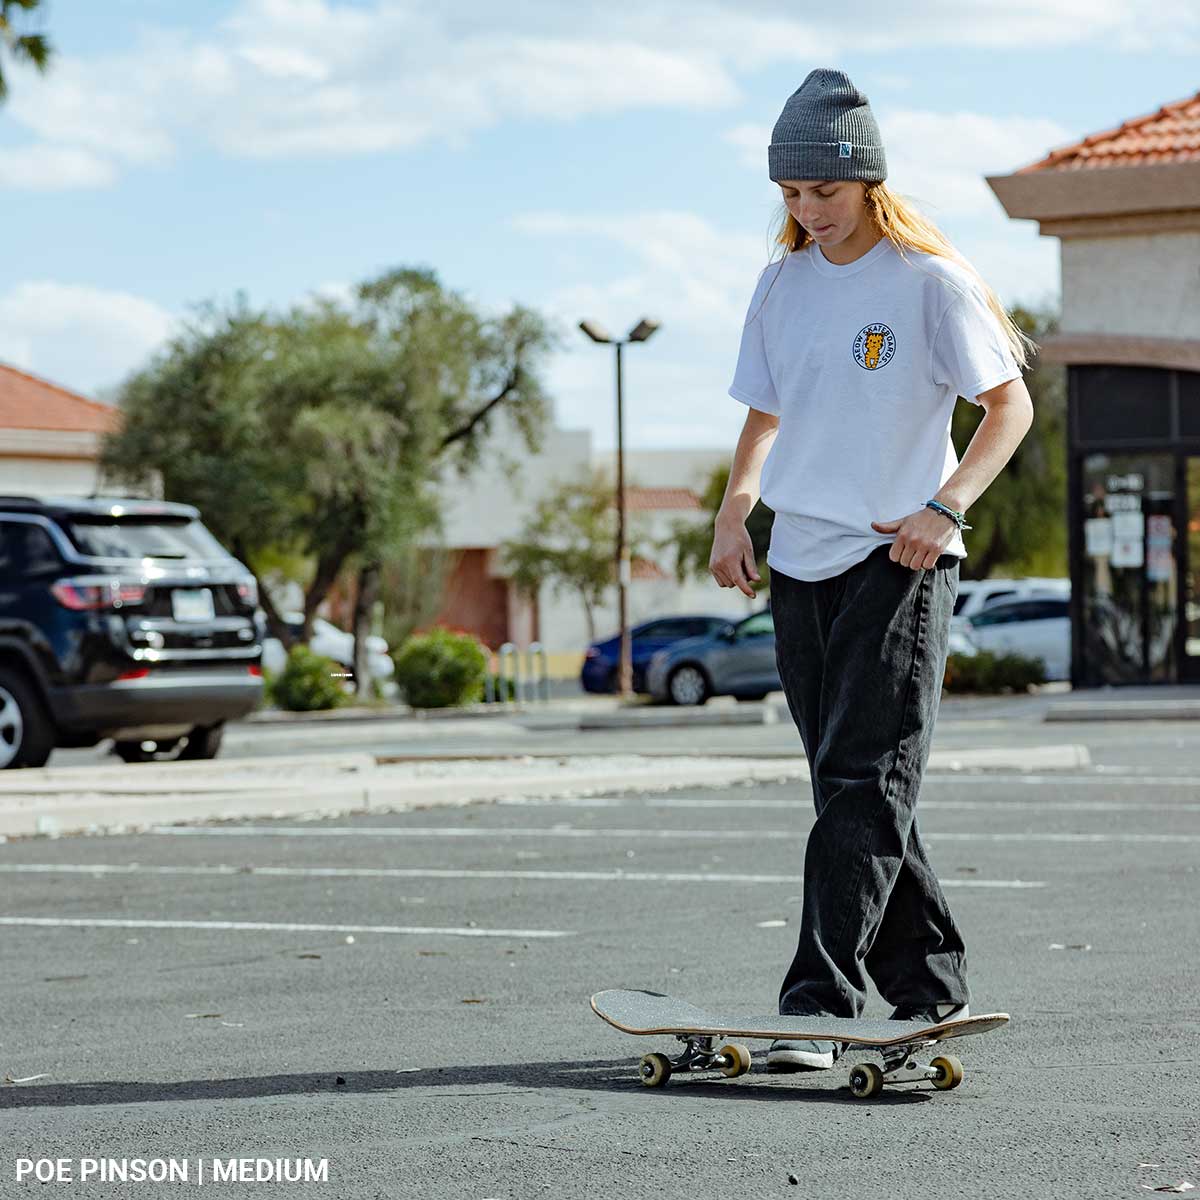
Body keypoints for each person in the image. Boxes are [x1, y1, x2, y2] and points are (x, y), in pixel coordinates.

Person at [710, 68, 1036, 1072]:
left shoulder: (928, 282)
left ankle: (818, 1001)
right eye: (793, 195)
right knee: (853, 784)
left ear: (869, 183)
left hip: (899, 556)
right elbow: (764, 410)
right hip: (801, 562)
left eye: (825, 193)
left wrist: (946, 510)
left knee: (862, 778)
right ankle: (930, 980)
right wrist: (735, 509)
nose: (808, 213)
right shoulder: (782, 282)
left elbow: (1008, 406)